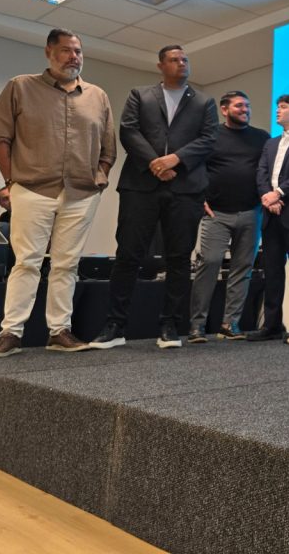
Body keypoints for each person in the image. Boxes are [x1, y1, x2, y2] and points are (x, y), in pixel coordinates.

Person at [0, 28, 115, 358]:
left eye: (78, 51)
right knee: (26, 262)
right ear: (49, 52)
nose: (74, 57)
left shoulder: (97, 96)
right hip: (32, 189)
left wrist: (98, 180)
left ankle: (59, 331)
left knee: (67, 264)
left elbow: (108, 148)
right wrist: (11, 181)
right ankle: (11, 333)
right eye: (66, 50)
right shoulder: (20, 87)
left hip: (81, 193)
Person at [90, 45, 218, 350]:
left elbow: (209, 139)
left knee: (179, 258)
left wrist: (175, 159)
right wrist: (154, 163)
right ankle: (115, 326)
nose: (181, 63)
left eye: (185, 59)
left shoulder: (204, 101)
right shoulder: (140, 94)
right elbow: (128, 131)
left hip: (186, 188)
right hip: (140, 185)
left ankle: (170, 325)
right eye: (174, 60)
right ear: (161, 65)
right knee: (128, 255)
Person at [186, 91, 269, 343]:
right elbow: (193, 167)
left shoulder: (261, 137)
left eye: (247, 105)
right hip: (216, 214)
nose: (245, 109)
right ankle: (197, 325)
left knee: (242, 269)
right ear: (224, 110)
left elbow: (267, 171)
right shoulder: (210, 136)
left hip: (251, 212)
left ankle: (229, 323)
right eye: (239, 106)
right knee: (209, 264)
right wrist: (199, 198)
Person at [250, 95, 289, 341]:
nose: (277, 110)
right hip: (270, 212)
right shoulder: (270, 143)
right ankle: (272, 325)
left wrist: (278, 194)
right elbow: (261, 172)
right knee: (272, 270)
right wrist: (267, 196)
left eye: (283, 107)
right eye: (277, 106)